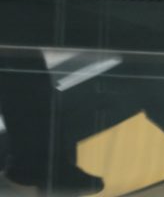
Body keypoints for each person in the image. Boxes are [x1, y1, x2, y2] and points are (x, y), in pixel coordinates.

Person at [0, 49, 104, 194]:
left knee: (24, 72)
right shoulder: (29, 173)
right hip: (26, 96)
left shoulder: (38, 170)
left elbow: (95, 185)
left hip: (30, 95)